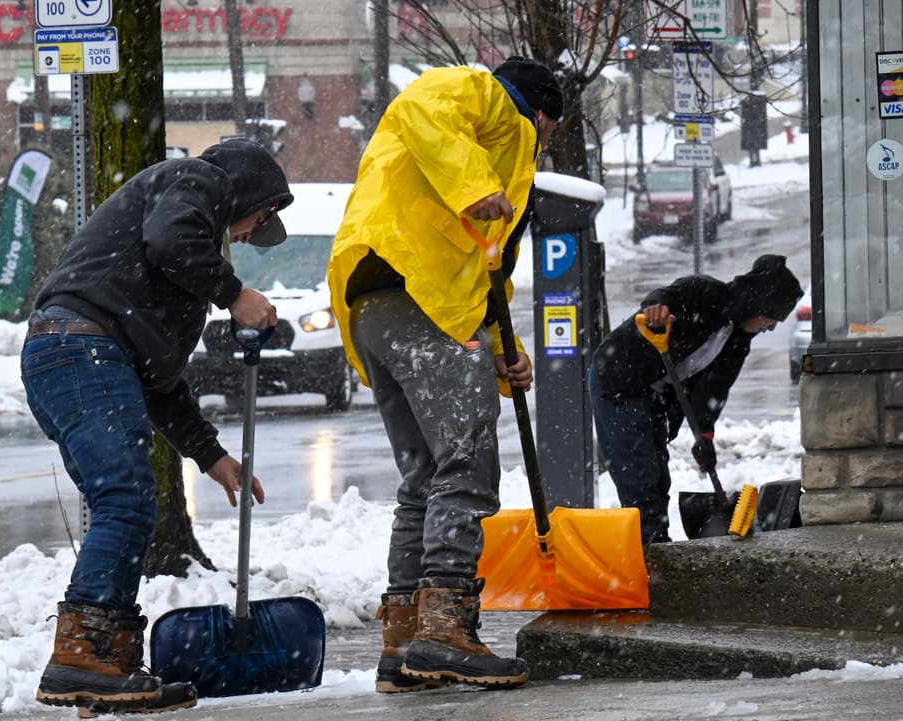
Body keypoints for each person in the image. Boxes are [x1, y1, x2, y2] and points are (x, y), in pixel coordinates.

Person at [22, 138, 292, 715]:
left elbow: (159, 380)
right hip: (78, 346)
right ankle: (81, 654)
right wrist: (235, 293)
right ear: (247, 189)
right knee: (125, 495)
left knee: (130, 497)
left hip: (80, 353)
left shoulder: (167, 279)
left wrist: (212, 456)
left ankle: (107, 660)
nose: (248, 234)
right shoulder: (198, 179)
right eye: (261, 217)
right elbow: (172, 241)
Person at [326, 57, 563, 693]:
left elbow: (483, 274)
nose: (544, 141)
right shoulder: (486, 97)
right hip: (416, 294)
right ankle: (445, 629)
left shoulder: (491, 155)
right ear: (540, 112)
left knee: (426, 475)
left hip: (381, 301)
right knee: (466, 463)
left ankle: (403, 640)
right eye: (549, 129)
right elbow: (424, 106)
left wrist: (500, 354)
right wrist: (472, 184)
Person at [589, 254, 803, 545]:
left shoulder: (736, 344)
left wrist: (704, 437)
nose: (771, 327)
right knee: (639, 476)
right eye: (772, 317)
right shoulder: (705, 293)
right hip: (618, 381)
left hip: (654, 394)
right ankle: (649, 555)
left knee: (657, 477)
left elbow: (711, 396)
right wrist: (656, 309)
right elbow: (666, 295)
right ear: (759, 303)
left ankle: (654, 546)